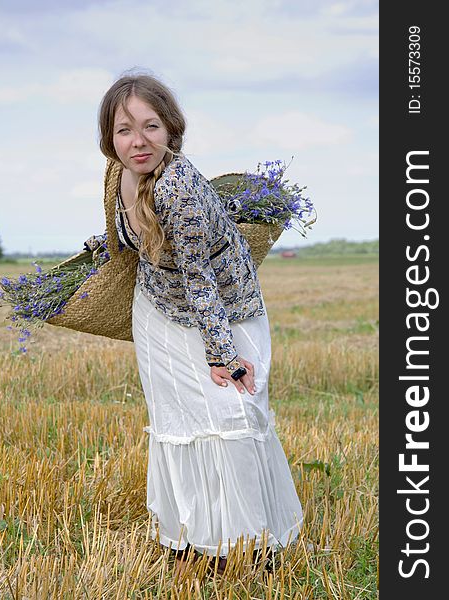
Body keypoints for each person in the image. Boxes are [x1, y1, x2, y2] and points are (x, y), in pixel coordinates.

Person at [97, 72, 303, 578]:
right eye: (125, 130)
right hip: (159, 313)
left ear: (171, 129)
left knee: (231, 418)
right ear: (110, 139)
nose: (138, 140)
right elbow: (128, 235)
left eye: (150, 126)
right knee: (180, 425)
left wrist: (224, 356)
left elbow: (201, 280)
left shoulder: (178, 191)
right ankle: (190, 538)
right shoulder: (117, 173)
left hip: (223, 313)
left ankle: (253, 548)